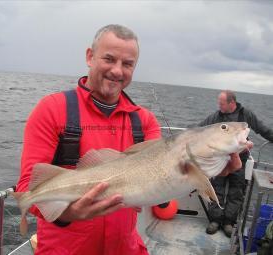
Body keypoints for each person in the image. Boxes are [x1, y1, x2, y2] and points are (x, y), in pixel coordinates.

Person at [16, 25, 246, 255]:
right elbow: (28, 186)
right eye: (109, 59)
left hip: (124, 247)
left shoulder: (145, 121)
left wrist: (210, 171)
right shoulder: (51, 109)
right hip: (64, 249)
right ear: (89, 56)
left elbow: (162, 182)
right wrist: (70, 213)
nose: (117, 71)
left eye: (127, 64)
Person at [199, 90, 273, 238]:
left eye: (222, 103)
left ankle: (228, 222)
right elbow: (199, 129)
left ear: (231, 103)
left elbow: (262, 129)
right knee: (216, 188)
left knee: (236, 191)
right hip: (220, 159)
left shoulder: (246, 115)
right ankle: (215, 220)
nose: (219, 105)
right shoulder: (216, 116)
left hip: (240, 159)